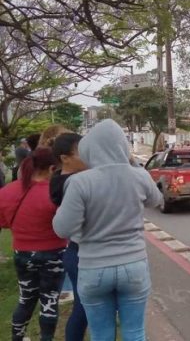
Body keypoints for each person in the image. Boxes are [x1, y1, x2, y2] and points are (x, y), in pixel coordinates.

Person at [53, 119, 163, 341]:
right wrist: (131, 164)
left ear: (89, 149)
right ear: (123, 146)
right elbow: (156, 200)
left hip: (94, 267)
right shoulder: (138, 175)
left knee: (101, 333)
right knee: (135, 331)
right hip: (134, 265)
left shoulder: (80, 182)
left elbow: (63, 229)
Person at [0, 148, 68, 341]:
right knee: (49, 300)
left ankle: (17, 338)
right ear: (52, 168)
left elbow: (3, 222)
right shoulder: (56, 193)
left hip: (22, 253)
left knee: (26, 299)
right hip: (55, 253)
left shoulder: (8, 191)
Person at [50, 133, 89, 341]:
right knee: (82, 308)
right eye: (81, 152)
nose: (88, 156)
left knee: (83, 307)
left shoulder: (59, 177)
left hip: (75, 250)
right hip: (80, 251)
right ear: (65, 158)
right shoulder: (73, 183)